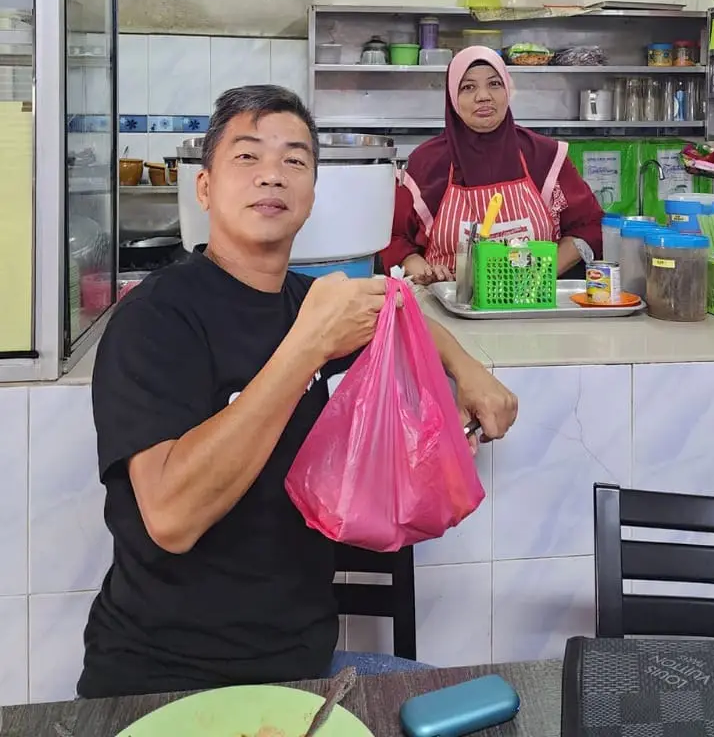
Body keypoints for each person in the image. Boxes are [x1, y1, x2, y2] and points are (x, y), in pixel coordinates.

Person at [79, 84, 517, 698]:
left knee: (493, 708)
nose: (272, 176)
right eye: (247, 157)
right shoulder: (158, 317)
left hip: (303, 668)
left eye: (294, 160)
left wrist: (466, 368)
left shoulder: (315, 306)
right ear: (204, 188)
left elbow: (398, 311)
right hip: (162, 675)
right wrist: (306, 349)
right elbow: (172, 518)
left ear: (312, 194)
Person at [382, 46, 603, 284]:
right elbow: (392, 237)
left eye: (494, 84)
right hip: (446, 307)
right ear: (452, 97)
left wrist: (543, 275)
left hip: (532, 304)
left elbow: (589, 225)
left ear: (508, 90)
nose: (483, 96)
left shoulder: (545, 156)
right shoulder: (426, 163)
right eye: (468, 87)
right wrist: (425, 272)